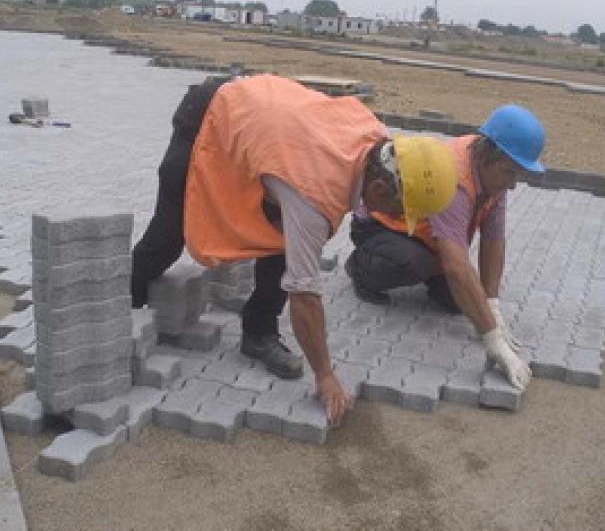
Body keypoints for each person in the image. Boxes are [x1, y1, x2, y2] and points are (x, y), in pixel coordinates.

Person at [131, 74, 457, 422]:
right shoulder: (312, 197)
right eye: (398, 211)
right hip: (208, 113)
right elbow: (305, 295)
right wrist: (325, 375)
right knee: (169, 235)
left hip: (268, 132)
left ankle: (258, 332)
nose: (394, 219)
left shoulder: (376, 140)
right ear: (377, 189)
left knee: (281, 238)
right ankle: (125, 304)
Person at [344, 104, 546, 390]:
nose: (512, 185)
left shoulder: (493, 179)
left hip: (430, 241)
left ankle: (433, 276)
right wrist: (493, 340)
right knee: (415, 264)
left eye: (518, 176)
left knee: (458, 304)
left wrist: (491, 305)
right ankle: (360, 268)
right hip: (382, 227)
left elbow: (493, 239)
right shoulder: (456, 178)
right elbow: (455, 265)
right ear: (489, 154)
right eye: (509, 173)